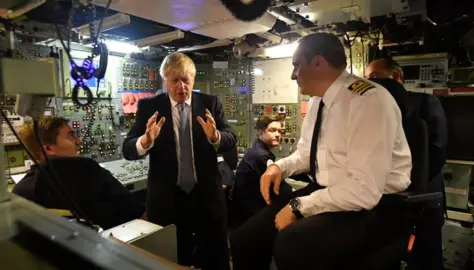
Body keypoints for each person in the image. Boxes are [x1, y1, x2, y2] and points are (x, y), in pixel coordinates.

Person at [230, 32, 412, 270]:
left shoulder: (368, 101)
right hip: (329, 191)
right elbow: (307, 154)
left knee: (292, 245)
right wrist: (279, 167)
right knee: (244, 239)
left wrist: (299, 207)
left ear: (318, 62)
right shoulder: (318, 101)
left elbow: (364, 191)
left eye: (296, 65)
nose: (292, 75)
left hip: (375, 205)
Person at [122, 52, 236, 269]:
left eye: (186, 80)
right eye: (175, 80)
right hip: (167, 199)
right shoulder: (149, 107)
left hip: (206, 198)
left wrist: (215, 137)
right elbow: (128, 149)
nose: (181, 86)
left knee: (215, 256)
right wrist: (145, 141)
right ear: (165, 79)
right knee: (171, 258)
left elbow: (230, 139)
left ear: (193, 79)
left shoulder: (210, 103)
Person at [366, 58, 448, 270]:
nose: (370, 83)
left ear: (395, 77)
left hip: (423, 198)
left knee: (425, 257)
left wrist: (411, 184)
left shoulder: (424, 102)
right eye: (367, 79)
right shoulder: (371, 110)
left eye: (374, 77)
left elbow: (436, 151)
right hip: (386, 201)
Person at [12, 116, 144, 229]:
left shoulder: (19, 192)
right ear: (48, 148)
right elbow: (134, 211)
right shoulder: (90, 173)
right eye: (70, 136)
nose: (78, 141)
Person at [232, 114, 283, 225]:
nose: (278, 134)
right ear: (261, 133)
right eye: (273, 130)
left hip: (247, 210)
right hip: (250, 214)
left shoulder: (259, 149)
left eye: (280, 131)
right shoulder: (260, 155)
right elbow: (278, 188)